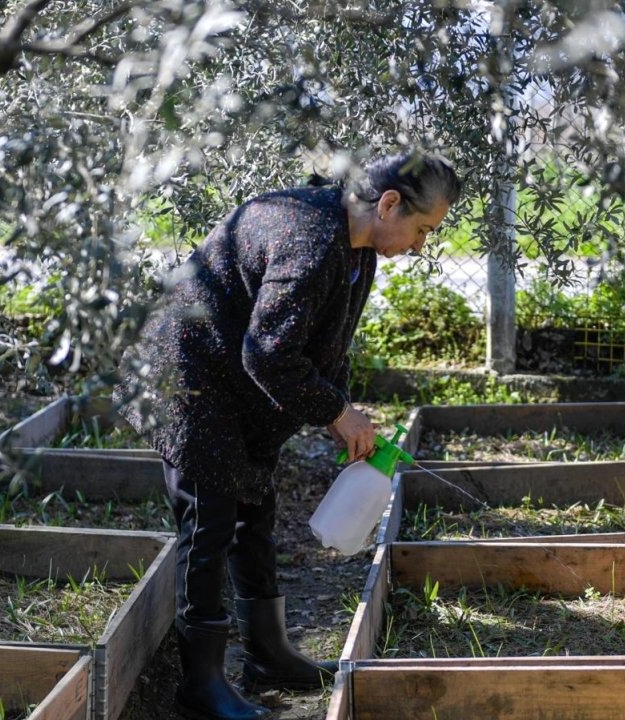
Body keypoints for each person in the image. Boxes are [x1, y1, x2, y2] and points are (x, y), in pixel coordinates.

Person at [115, 151, 461, 720]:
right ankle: (199, 687)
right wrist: (334, 411)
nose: (420, 245)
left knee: (255, 507)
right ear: (390, 203)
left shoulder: (356, 247)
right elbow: (269, 352)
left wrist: (341, 408)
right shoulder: (309, 239)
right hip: (189, 376)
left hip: (233, 381)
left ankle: (268, 654)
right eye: (422, 230)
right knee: (209, 524)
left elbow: (324, 342)